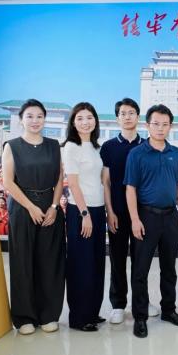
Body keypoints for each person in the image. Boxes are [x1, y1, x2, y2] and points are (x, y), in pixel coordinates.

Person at [1, 99, 65, 335]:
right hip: (22, 207)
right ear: (21, 120)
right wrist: (30, 207)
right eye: (30, 116)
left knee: (50, 262)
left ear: (44, 119)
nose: (35, 121)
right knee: (23, 262)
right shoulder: (12, 146)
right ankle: (24, 317)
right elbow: (8, 182)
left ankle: (49, 315)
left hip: (49, 208)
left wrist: (54, 206)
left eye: (39, 116)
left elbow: (59, 179)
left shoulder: (54, 145)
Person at [125, 104, 178, 338]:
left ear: (170, 126)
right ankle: (140, 317)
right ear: (147, 125)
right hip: (146, 217)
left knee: (169, 268)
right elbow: (130, 189)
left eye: (165, 124)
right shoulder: (137, 154)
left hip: (171, 217)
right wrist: (134, 219)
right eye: (156, 124)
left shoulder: (176, 153)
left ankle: (168, 310)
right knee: (140, 270)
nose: (160, 128)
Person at [100, 98, 159, 325]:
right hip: (117, 211)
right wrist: (110, 212)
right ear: (117, 118)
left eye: (131, 112)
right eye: (123, 113)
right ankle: (118, 304)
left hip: (143, 213)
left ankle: (141, 302)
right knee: (117, 259)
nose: (127, 117)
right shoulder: (109, 147)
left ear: (138, 117)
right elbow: (106, 182)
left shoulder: (148, 145)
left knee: (140, 261)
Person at [63, 102, 106, 332]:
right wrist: (84, 214)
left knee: (96, 263)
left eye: (89, 117)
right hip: (81, 211)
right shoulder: (71, 147)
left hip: (98, 209)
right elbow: (73, 184)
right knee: (81, 265)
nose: (85, 122)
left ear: (95, 121)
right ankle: (79, 318)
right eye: (80, 118)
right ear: (73, 122)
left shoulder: (95, 147)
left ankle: (92, 312)